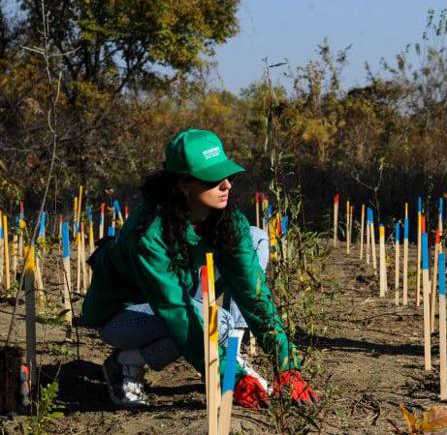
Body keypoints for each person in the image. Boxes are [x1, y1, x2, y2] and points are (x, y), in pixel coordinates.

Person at [81, 129, 318, 406]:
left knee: (255, 238)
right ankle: (124, 363)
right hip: (124, 314)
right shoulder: (149, 235)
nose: (227, 184)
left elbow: (253, 293)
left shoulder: (225, 218)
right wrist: (230, 378)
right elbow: (178, 314)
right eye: (213, 179)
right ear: (183, 184)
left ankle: (231, 353)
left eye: (227, 175)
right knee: (216, 321)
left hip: (181, 291)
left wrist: (286, 363)